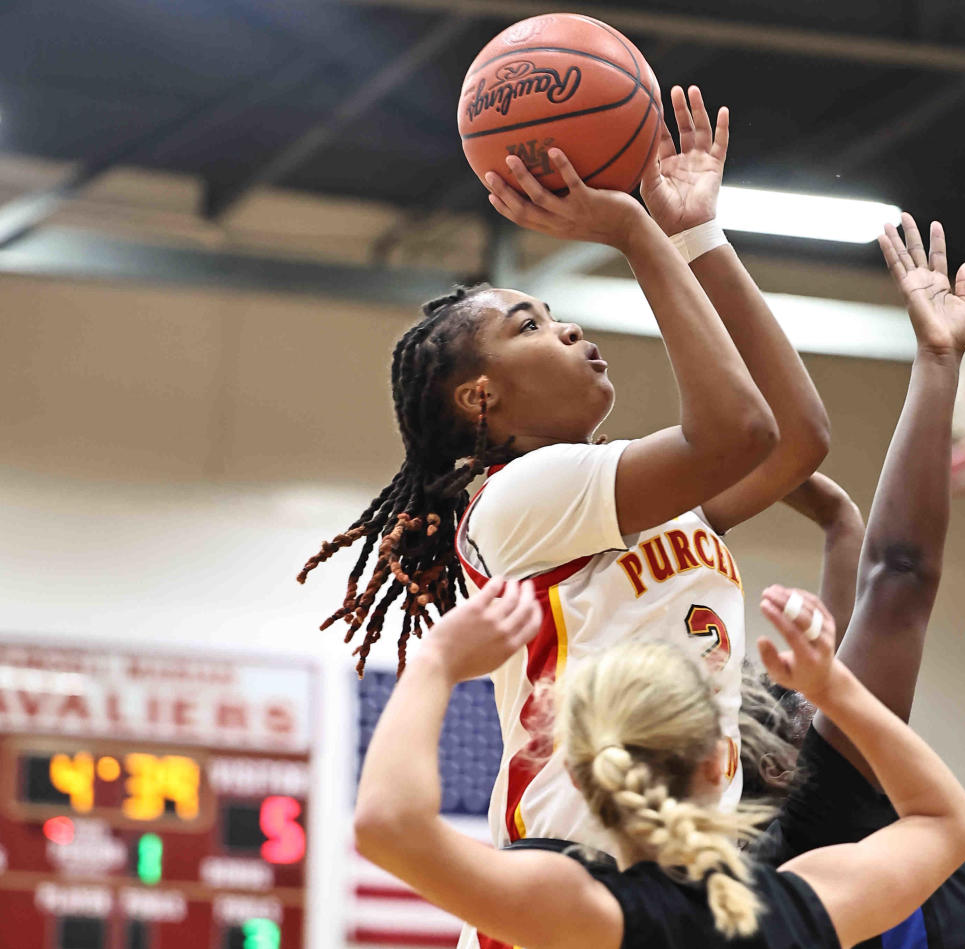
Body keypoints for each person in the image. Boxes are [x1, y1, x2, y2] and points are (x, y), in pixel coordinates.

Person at [300, 85, 828, 873]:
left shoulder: (635, 500)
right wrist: (631, 228)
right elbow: (739, 432)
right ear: (480, 395)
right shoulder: (517, 498)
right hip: (569, 881)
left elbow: (796, 439)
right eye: (530, 326)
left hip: (669, 888)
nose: (569, 327)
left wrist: (697, 237)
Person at [353, 574, 965, 949]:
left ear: (577, 773)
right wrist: (832, 690)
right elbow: (946, 822)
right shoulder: (798, 906)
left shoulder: (584, 911)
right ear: (721, 762)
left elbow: (388, 825)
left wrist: (435, 663)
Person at [744, 214, 965, 946]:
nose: (819, 686)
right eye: (795, 698)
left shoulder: (824, 827)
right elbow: (896, 577)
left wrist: (835, 512)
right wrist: (937, 363)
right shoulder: (818, 819)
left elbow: (857, 568)